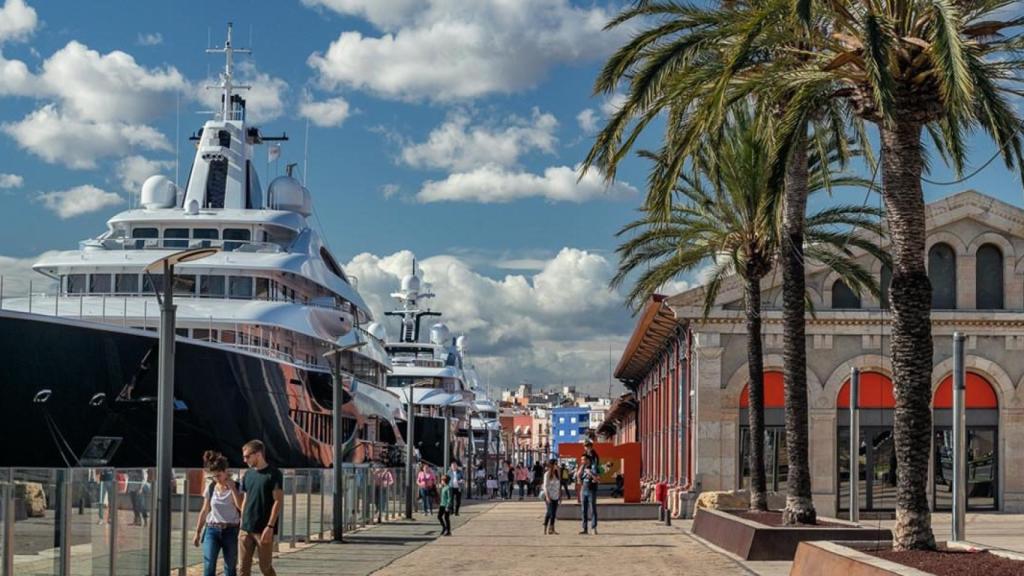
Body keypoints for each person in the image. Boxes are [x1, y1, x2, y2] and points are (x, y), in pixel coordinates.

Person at [193, 451, 242, 576]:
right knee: (209, 565)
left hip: (231, 530)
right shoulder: (211, 487)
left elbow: (241, 507)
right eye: (213, 476)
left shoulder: (237, 486)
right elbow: (205, 510)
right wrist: (198, 532)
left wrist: (233, 489)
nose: (216, 479)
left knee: (230, 567)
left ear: (226, 471)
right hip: (212, 530)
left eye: (218, 475)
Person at [238, 440, 283, 576]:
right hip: (246, 528)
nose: (244, 460)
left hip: (263, 529)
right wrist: (241, 522)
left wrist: (270, 527)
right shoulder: (247, 475)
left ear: (258, 454)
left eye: (247, 456)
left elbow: (278, 501)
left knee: (265, 567)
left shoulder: (274, 474)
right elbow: (246, 498)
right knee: (242, 569)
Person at [576, 454, 598, 535]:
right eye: (581, 460)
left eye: (584, 459)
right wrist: (579, 473)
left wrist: (590, 473)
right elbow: (579, 480)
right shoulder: (582, 468)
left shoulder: (593, 467)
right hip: (583, 490)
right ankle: (584, 528)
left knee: (592, 509)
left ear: (588, 460)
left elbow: (597, 479)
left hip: (591, 491)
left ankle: (594, 527)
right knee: (583, 510)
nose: (582, 461)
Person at [542, 459, 561, 535]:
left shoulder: (557, 474)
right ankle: (546, 526)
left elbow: (559, 485)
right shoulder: (547, 474)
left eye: (557, 464)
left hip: (556, 496)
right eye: (555, 464)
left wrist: (560, 495)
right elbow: (545, 486)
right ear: (551, 465)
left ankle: (551, 529)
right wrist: (547, 496)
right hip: (549, 496)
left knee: (553, 513)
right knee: (550, 512)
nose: (557, 466)